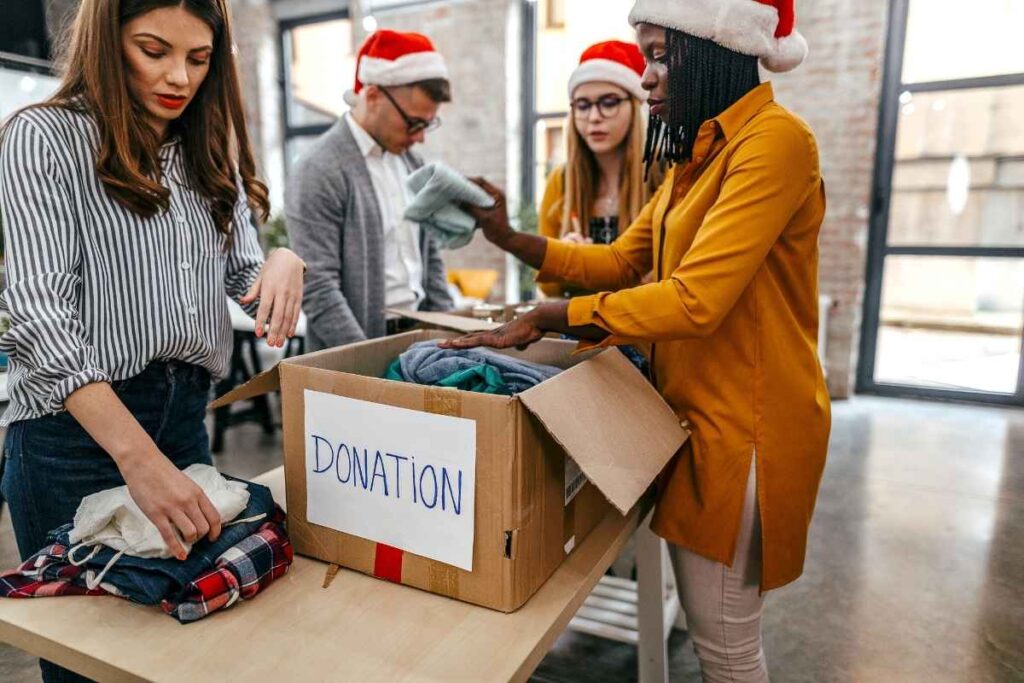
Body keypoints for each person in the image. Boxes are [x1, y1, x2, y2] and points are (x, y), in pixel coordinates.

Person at [444, 1, 829, 680]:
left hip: (746, 429)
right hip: (698, 413)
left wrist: (558, 315)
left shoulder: (775, 141)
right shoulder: (698, 156)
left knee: (728, 646)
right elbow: (623, 259)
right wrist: (509, 238)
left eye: (659, 53)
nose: (647, 77)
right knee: (722, 637)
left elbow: (696, 298)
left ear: (714, 46)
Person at [0, 1, 305, 679]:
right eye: (153, 49)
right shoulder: (41, 137)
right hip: (74, 438)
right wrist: (137, 458)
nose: (180, 77)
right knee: (90, 659)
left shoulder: (203, 146)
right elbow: (36, 312)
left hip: (184, 418)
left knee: (181, 649)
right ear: (108, 40)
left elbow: (242, 271)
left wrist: (283, 262)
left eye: (199, 59)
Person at [286, 29, 455, 352]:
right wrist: (367, 365)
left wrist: (451, 338)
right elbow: (318, 287)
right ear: (374, 95)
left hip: (419, 340)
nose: (420, 137)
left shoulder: (410, 161)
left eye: (427, 124)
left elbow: (430, 260)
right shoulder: (319, 168)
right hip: (356, 352)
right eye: (413, 123)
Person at [537, 40, 660, 298]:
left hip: (646, 329)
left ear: (636, 106)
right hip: (580, 328)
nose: (594, 117)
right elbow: (546, 284)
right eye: (582, 105)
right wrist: (565, 257)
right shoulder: (562, 180)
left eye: (609, 102)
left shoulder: (665, 173)